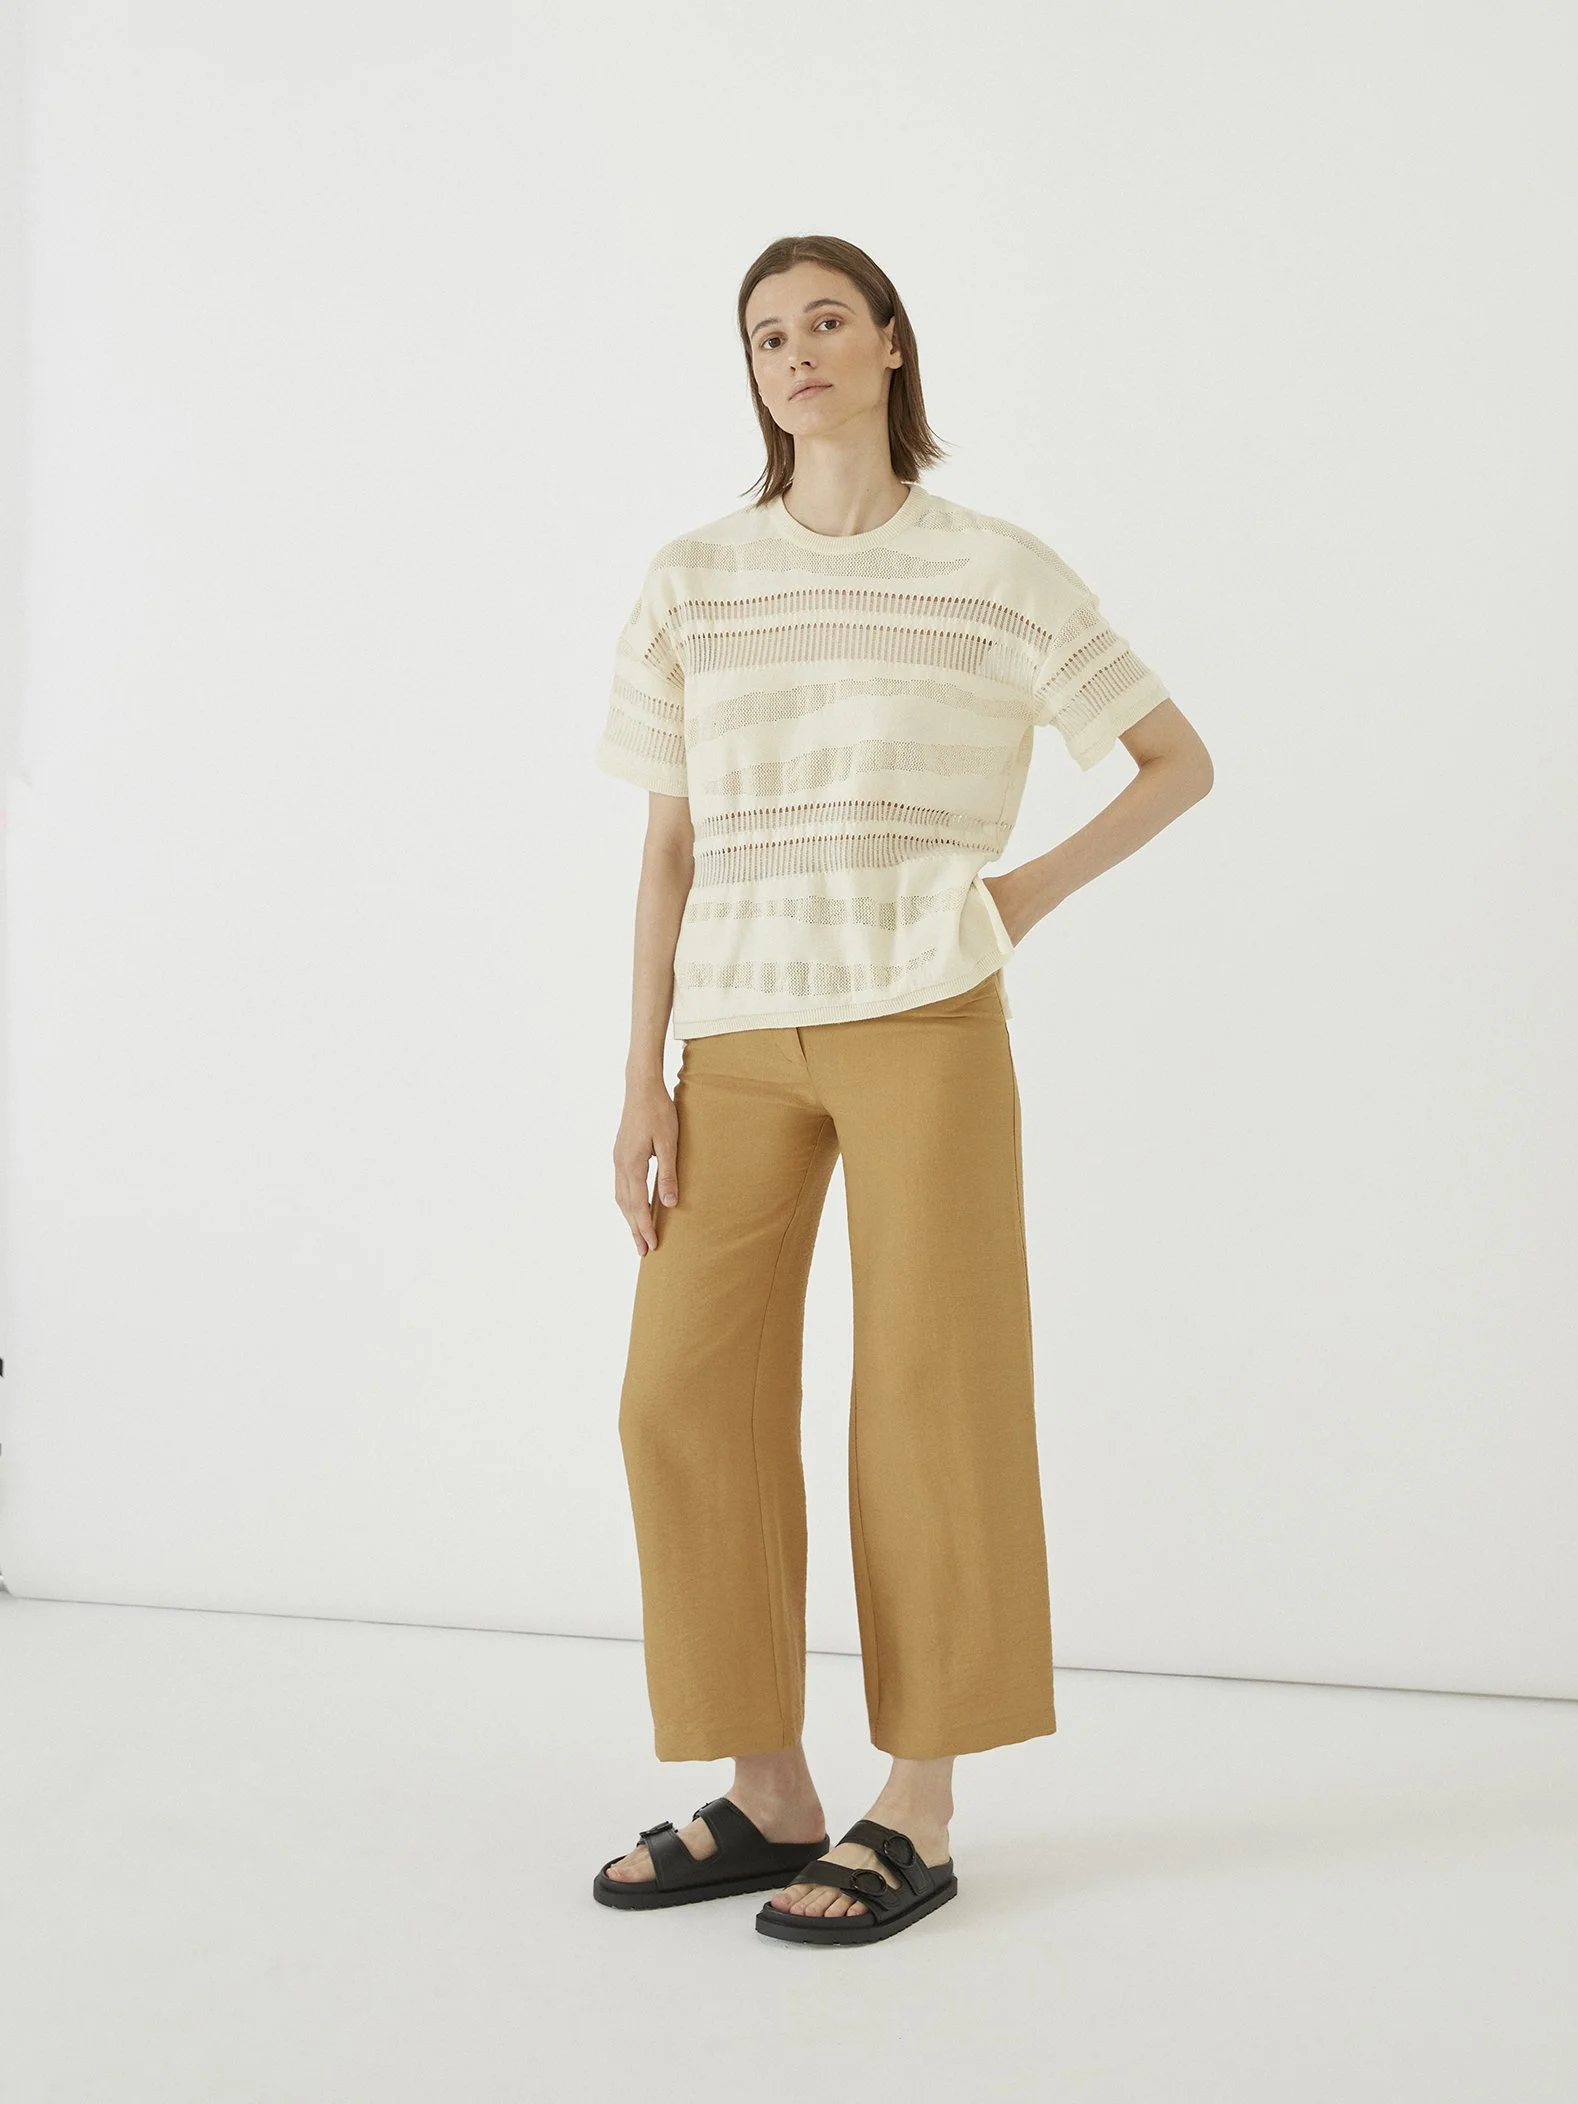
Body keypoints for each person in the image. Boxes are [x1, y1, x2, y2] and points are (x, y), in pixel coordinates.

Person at [589, 233, 1213, 1945]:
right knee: (677, 1396)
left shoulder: (995, 572)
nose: (794, 352)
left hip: (926, 1010)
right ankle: (771, 1791)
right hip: (735, 1033)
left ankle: (917, 1806)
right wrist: (640, 1079)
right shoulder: (694, 580)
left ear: (888, 344)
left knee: (928, 1396)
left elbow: (1176, 761)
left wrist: (1015, 900)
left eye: (824, 322)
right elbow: (667, 851)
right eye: (764, 335)